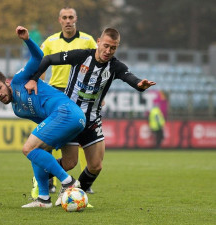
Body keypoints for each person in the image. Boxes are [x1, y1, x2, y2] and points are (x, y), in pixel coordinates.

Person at [25, 27, 156, 206]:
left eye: (113, 48)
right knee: (70, 163)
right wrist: (33, 78)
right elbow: (48, 59)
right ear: (98, 42)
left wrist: (140, 85)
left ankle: (76, 195)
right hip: (69, 118)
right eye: (106, 46)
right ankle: (42, 178)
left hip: (92, 120)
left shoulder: (115, 66)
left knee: (95, 166)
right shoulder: (81, 56)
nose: (108, 51)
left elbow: (129, 77)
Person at [0, 26, 86, 208]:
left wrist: (27, 40)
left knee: (28, 149)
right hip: (69, 120)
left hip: (66, 112)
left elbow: (39, 58)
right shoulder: (18, 110)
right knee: (56, 157)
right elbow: (43, 124)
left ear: (7, 83)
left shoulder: (19, 80)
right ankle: (43, 199)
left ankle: (68, 182)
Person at [31, 7, 97, 197]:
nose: (68, 20)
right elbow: (40, 64)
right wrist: (38, 87)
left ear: (76, 19)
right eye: (64, 18)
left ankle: (83, 180)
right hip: (56, 94)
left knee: (82, 137)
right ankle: (47, 180)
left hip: (80, 95)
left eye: (71, 17)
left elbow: (96, 65)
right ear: (59, 20)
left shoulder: (88, 40)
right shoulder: (50, 41)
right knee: (49, 139)